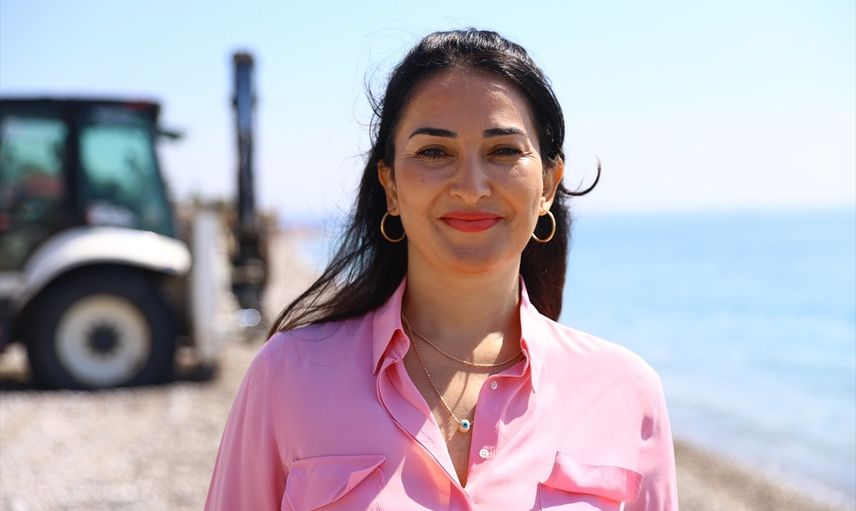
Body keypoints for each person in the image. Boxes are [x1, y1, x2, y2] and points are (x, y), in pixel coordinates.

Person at [205, 29, 678, 510]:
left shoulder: (627, 392)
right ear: (390, 184)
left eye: (503, 151)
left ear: (548, 185)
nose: (471, 188)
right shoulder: (288, 375)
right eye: (434, 152)